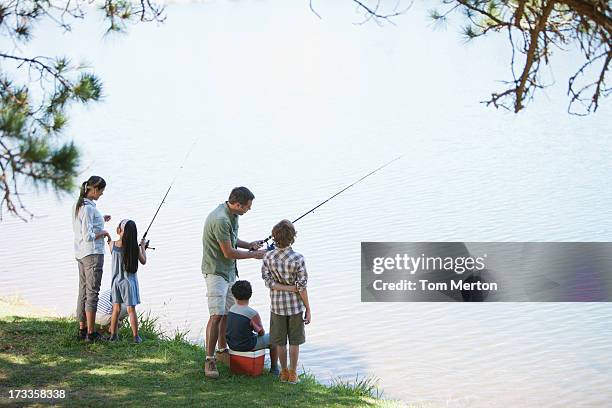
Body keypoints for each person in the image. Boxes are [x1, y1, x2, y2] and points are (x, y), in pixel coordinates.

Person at [202, 186, 266, 379]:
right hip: (216, 272)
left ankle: (222, 351)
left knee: (228, 313)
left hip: (229, 271)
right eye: (247, 206)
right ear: (238, 204)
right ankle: (209, 359)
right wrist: (254, 255)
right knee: (216, 316)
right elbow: (228, 252)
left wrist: (249, 245)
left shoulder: (233, 215)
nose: (249, 209)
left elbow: (231, 240)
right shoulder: (220, 219)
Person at [261, 220, 311, 384]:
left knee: (280, 342)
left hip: (276, 307)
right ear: (293, 238)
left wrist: (281, 287)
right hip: (295, 307)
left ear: (274, 237)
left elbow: (267, 281)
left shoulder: (268, 256)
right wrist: (308, 309)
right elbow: (301, 287)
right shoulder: (298, 258)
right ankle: (293, 373)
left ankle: (283, 372)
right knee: (295, 342)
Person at [73, 176, 111, 343]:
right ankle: (91, 333)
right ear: (94, 189)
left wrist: (102, 220)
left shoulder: (79, 205)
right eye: (101, 191)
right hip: (92, 255)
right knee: (92, 293)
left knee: (83, 292)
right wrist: (104, 233)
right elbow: (88, 236)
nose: (102, 194)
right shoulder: (88, 209)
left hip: (81, 254)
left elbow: (84, 227)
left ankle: (82, 329)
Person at [108, 219, 148, 343]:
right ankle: (136, 337)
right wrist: (142, 247)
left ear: (120, 230)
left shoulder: (113, 245)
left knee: (116, 309)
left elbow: (114, 253)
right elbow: (143, 261)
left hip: (116, 283)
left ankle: (113, 336)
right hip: (129, 284)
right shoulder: (134, 248)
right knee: (131, 310)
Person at [226, 280, 279, 374]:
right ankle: (274, 369)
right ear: (250, 294)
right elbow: (261, 332)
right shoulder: (252, 313)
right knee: (274, 338)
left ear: (233, 295)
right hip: (245, 345)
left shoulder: (231, 309)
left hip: (232, 344)